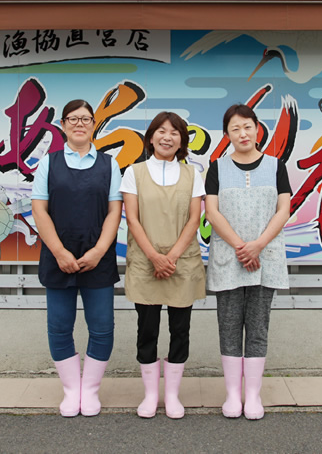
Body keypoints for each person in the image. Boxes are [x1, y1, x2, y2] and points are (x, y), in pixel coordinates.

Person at [31, 99, 122, 417]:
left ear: (94, 124)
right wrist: (58, 251)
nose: (79, 123)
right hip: (58, 257)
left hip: (99, 258)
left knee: (102, 327)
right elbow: (39, 210)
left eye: (86, 119)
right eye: (73, 118)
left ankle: (90, 390)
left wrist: (99, 251)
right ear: (63, 125)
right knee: (59, 326)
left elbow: (115, 211)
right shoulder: (49, 162)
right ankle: (71, 390)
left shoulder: (109, 164)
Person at [204, 104, 290, 420]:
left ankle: (252, 395)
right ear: (227, 135)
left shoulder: (276, 165)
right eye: (235, 129)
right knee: (228, 326)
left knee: (257, 327)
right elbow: (212, 212)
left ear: (257, 128)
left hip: (264, 259)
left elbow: (283, 210)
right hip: (230, 259)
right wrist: (242, 247)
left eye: (247, 127)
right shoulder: (216, 168)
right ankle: (231, 395)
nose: (242, 133)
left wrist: (258, 245)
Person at [120, 112, 206, 419]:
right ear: (151, 136)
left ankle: (172, 396)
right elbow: (132, 218)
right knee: (147, 330)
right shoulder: (134, 172)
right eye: (161, 131)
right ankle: (150, 395)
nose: (167, 137)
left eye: (174, 132)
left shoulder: (193, 174)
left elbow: (194, 219)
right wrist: (155, 257)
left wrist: (171, 257)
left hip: (181, 264)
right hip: (146, 262)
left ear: (182, 139)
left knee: (180, 330)